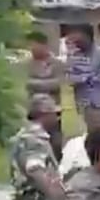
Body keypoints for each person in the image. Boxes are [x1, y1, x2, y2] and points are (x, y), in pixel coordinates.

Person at [25, 31, 66, 161]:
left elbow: (58, 83)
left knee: (55, 141)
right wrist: (45, 83)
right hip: (34, 110)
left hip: (53, 109)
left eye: (34, 45)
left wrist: (36, 84)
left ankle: (57, 164)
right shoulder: (28, 64)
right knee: (35, 140)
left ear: (44, 45)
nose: (32, 49)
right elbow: (25, 83)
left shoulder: (57, 64)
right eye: (30, 46)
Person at [65, 23, 100, 132]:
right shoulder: (74, 54)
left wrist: (86, 77)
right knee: (89, 132)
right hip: (82, 102)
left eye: (79, 40)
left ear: (88, 36)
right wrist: (81, 77)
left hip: (97, 102)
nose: (77, 43)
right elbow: (69, 77)